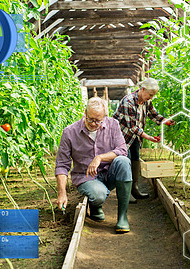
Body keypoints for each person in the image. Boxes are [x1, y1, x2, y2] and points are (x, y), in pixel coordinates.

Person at [55, 97, 133, 233]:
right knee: (98, 195)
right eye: (90, 119)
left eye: (98, 121)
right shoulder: (70, 132)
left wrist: (100, 157)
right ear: (85, 112)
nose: (93, 124)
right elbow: (62, 164)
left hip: (109, 173)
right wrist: (62, 193)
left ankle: (122, 217)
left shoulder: (113, 125)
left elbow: (122, 150)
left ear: (105, 116)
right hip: (86, 177)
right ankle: (96, 204)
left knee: (124, 161)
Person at [113, 78, 174, 202]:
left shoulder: (146, 102)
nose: (151, 98)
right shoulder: (128, 101)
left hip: (134, 136)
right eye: (150, 95)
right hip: (121, 136)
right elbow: (132, 127)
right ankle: (125, 192)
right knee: (126, 161)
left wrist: (165, 121)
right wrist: (148, 137)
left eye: (153, 95)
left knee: (135, 159)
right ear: (143, 89)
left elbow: (153, 114)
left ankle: (134, 189)